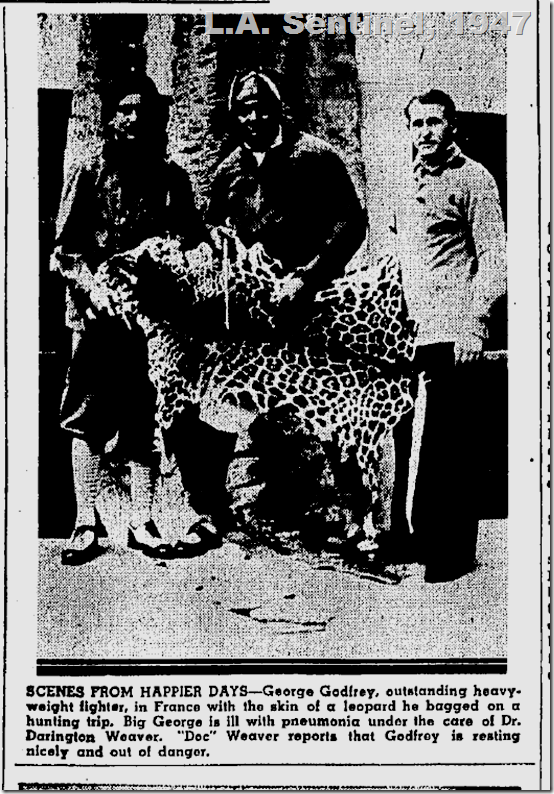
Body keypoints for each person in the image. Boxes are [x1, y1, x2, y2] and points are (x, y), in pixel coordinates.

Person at [127, 70, 415, 575]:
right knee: (213, 405)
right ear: (233, 115)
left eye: (263, 107)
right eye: (244, 109)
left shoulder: (316, 157)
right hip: (250, 319)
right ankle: (208, 513)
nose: (254, 117)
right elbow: (213, 236)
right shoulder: (228, 171)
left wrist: (305, 279)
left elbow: (352, 224)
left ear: (280, 110)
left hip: (312, 308)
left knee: (336, 411)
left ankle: (359, 523)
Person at [51, 73, 207, 564]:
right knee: (86, 420)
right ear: (109, 118)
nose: (133, 120)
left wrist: (169, 258)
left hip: (151, 323)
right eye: (124, 110)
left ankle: (142, 520)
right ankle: (85, 524)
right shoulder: (89, 173)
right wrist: (93, 289)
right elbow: (63, 251)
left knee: (143, 421)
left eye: (144, 111)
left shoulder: (171, 179)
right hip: (97, 318)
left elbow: (194, 240)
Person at [389, 89, 507, 582]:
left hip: (453, 329)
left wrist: (473, 324)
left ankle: (451, 555)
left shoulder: (474, 178)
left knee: (452, 444)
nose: (426, 133)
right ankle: (412, 538)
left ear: (452, 127)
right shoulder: (407, 179)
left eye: (435, 123)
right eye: (417, 125)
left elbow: (496, 260)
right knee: (410, 437)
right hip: (410, 329)